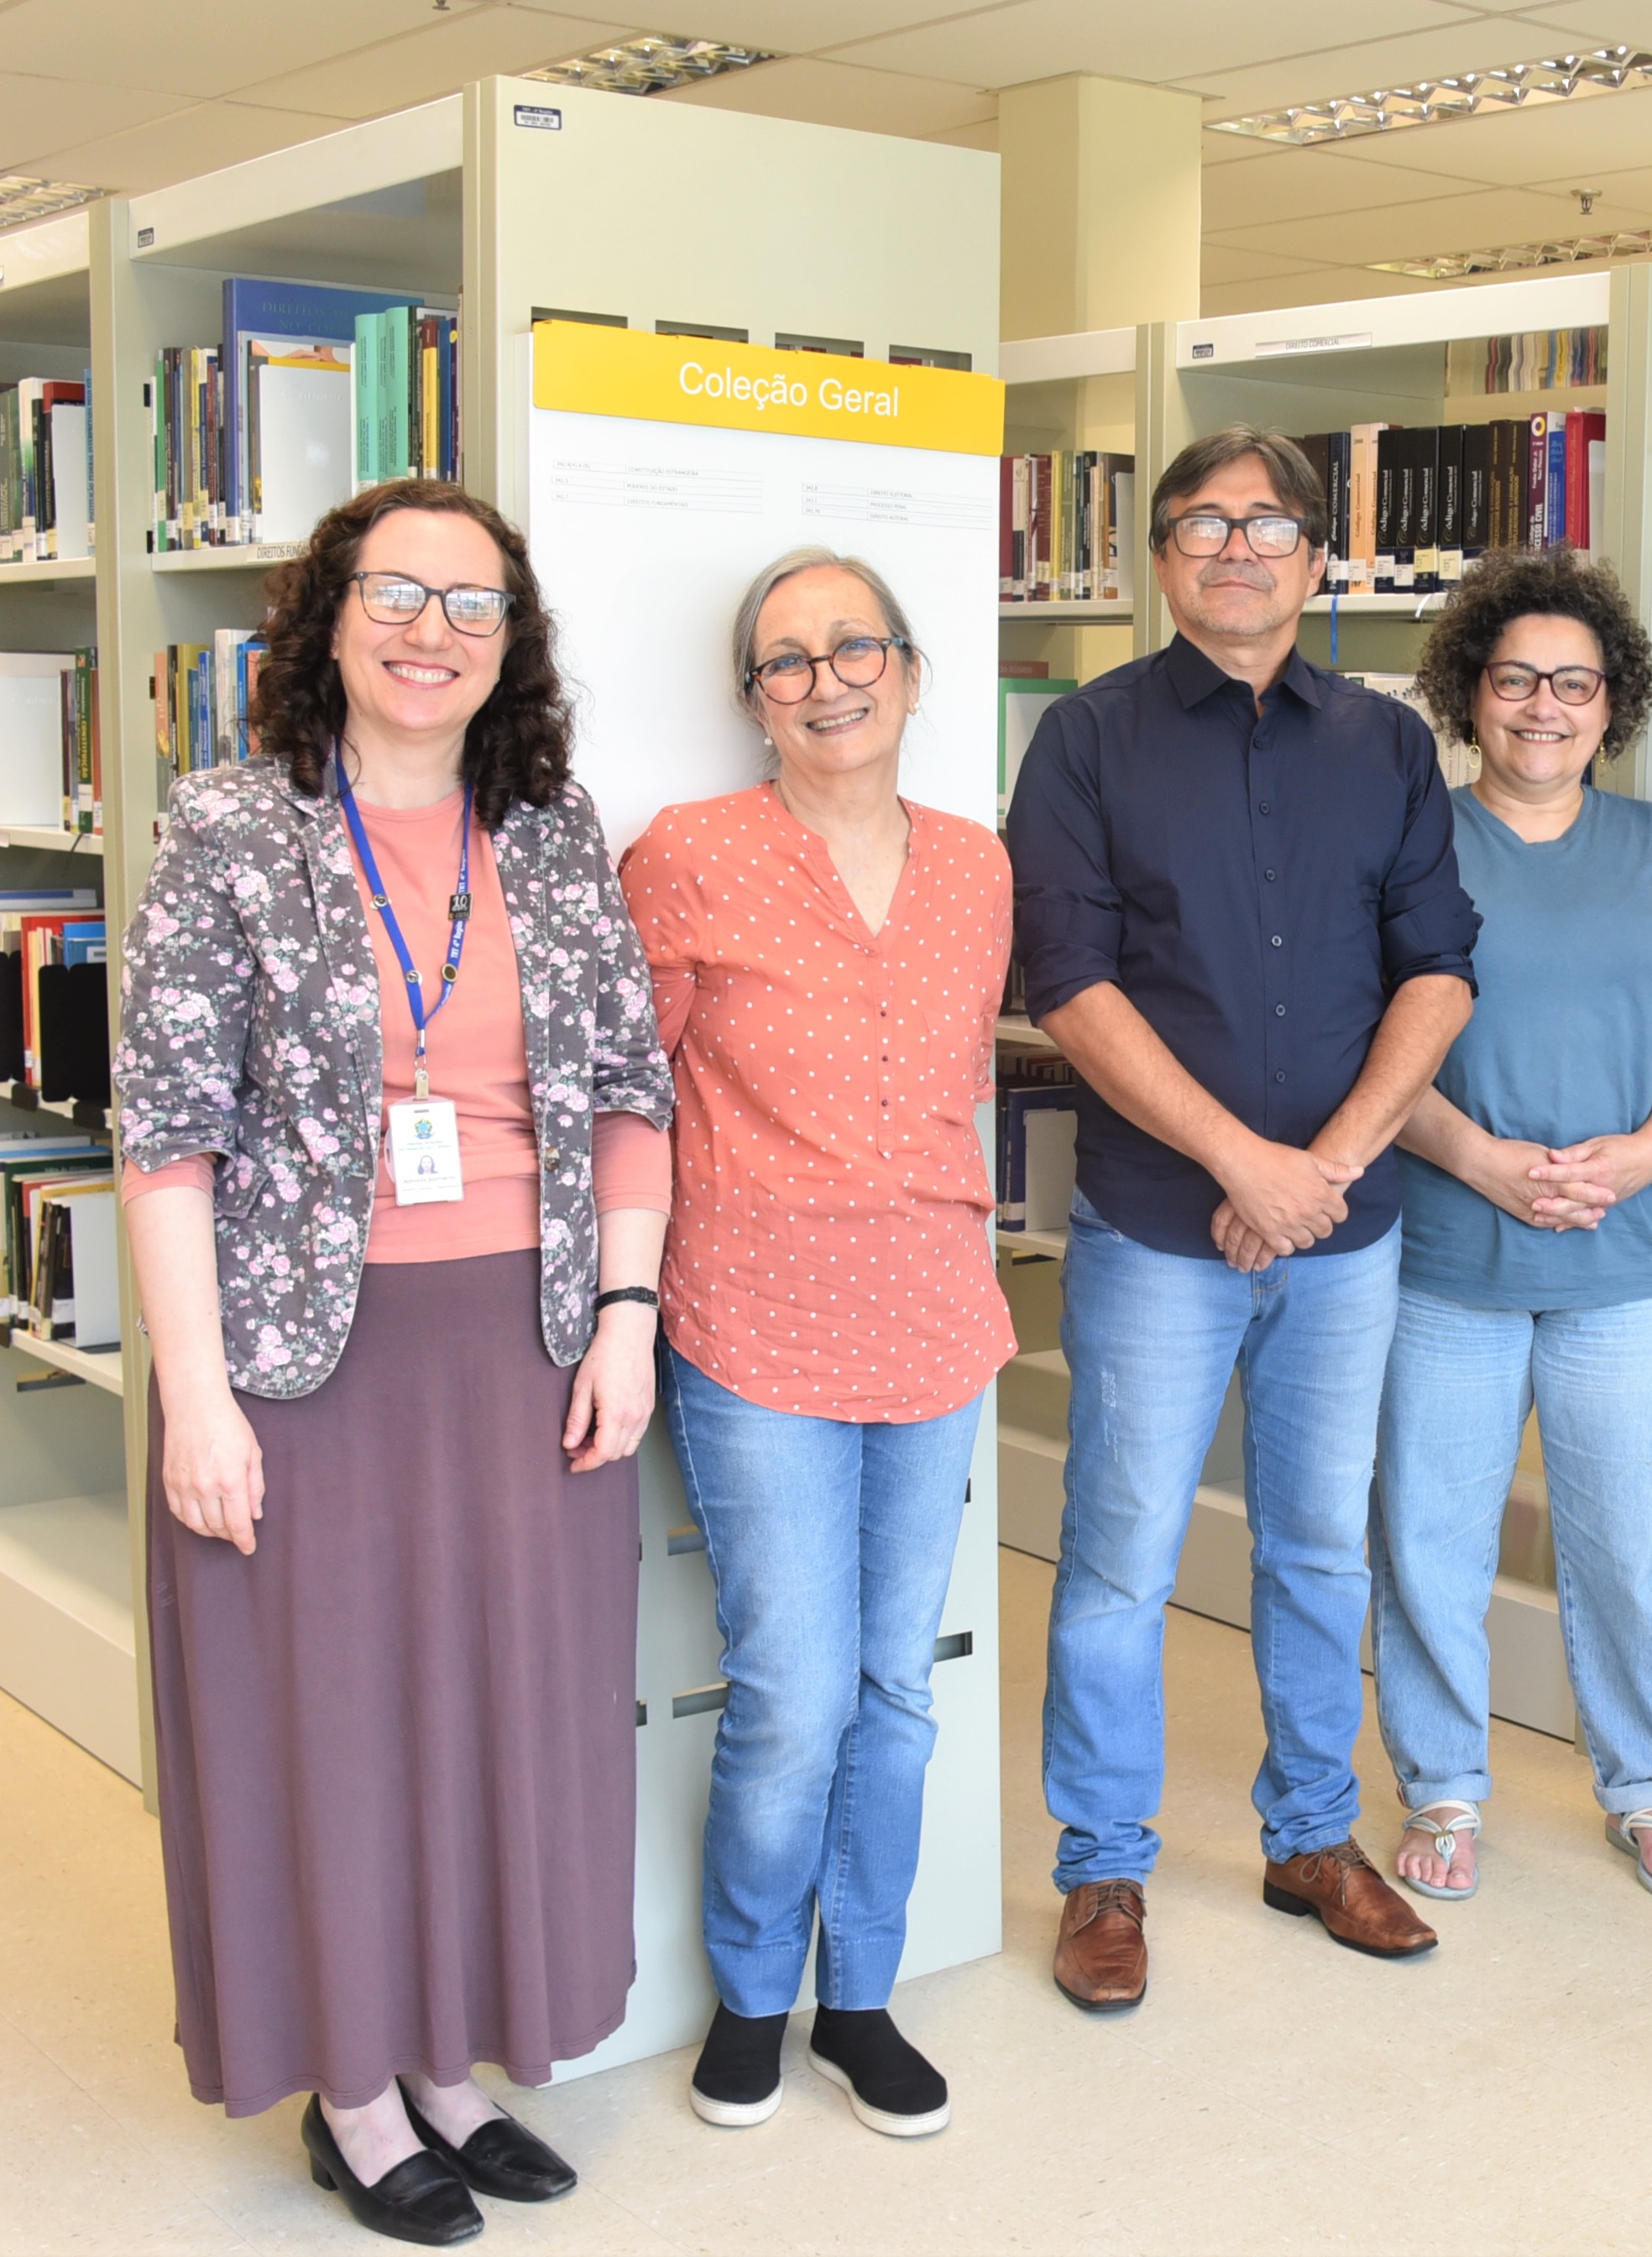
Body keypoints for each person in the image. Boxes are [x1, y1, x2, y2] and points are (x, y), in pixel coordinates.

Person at [114, 480, 675, 2246]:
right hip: (299, 1356)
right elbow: (165, 1135)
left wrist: (628, 1317)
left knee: (499, 1708)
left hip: (524, 1340)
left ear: (513, 643)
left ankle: (451, 2065)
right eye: (397, 592)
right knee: (328, 1726)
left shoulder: (556, 830)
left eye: (473, 604)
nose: (431, 630)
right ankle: (353, 2091)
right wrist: (195, 1392)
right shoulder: (228, 827)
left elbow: (627, 1096)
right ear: (327, 614)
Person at [1007, 426, 1479, 2010]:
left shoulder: (1386, 744)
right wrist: (1240, 1162)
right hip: (1159, 1224)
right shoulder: (1086, 740)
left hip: (1343, 1232)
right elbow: (1065, 983)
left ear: (1315, 556)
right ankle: (1102, 1867)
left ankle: (1311, 1836)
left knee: (1315, 1552)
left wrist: (1321, 1167)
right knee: (1122, 1555)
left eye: (1268, 521)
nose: (1237, 546)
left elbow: (1435, 966)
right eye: (1202, 523)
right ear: (1159, 559)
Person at [616, 551, 1012, 2137]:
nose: (825, 677)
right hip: (752, 1321)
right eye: (785, 659)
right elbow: (625, 1094)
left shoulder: (981, 866)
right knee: (789, 1691)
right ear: (751, 699)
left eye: (856, 645)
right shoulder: (690, 853)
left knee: (894, 1690)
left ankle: (862, 1997)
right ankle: (751, 1991)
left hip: (935, 1317)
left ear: (911, 672)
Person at [1372, 547, 1652, 1906]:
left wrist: (1647, 1154)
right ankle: (1443, 1786)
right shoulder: (1415, 840)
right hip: (1449, 1254)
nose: (1543, 706)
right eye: (1516, 678)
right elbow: (1378, 1048)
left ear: (1611, 702)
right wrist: (1478, 1160)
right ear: (1470, 693)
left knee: (1637, 1540)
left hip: (1625, 1257)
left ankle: (1646, 1786)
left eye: (1573, 684)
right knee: (1429, 1535)